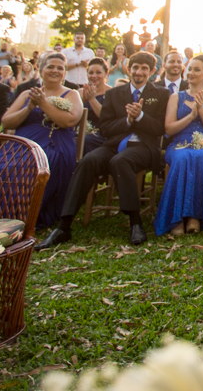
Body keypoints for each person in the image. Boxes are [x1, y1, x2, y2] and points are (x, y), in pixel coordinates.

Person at [36, 52, 171, 249]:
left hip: (143, 147)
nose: (139, 72)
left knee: (121, 161)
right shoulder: (114, 94)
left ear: (151, 71)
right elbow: (106, 128)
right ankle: (63, 226)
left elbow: (160, 128)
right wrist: (127, 121)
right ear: (128, 69)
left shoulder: (161, 94)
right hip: (113, 145)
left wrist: (140, 116)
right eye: (135, 67)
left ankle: (135, 223)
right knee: (87, 161)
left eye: (144, 68)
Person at [0, 51, 84, 228]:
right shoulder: (26, 94)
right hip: (23, 142)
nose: (55, 71)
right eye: (50, 67)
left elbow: (69, 121)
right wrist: (29, 107)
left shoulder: (72, 94)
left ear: (65, 73)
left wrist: (43, 103)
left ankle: (25, 216)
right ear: (40, 69)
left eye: (60, 68)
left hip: (56, 141)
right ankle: (0, 214)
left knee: (33, 165)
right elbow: (6, 121)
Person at [155, 55, 203, 237]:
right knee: (182, 157)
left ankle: (195, 217)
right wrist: (191, 116)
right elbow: (169, 129)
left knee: (201, 156)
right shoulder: (175, 97)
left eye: (196, 69)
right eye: (190, 69)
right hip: (179, 143)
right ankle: (176, 219)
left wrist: (201, 109)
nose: (191, 72)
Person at [81, 57, 112, 154]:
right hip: (81, 130)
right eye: (90, 73)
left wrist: (91, 99)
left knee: (86, 141)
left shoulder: (112, 93)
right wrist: (82, 100)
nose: (94, 76)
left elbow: (106, 117)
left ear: (106, 74)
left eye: (98, 73)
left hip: (100, 133)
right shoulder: (80, 92)